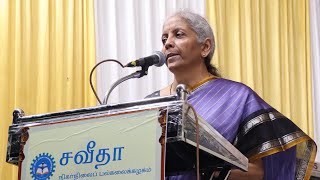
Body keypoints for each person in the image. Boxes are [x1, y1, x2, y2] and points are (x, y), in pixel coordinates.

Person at [146, 10, 317, 179]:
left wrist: (211, 173)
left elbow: (259, 172)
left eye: (179, 35)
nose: (167, 43)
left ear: (205, 47)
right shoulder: (151, 104)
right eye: (164, 38)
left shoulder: (238, 97)